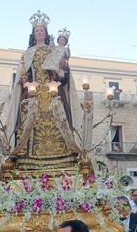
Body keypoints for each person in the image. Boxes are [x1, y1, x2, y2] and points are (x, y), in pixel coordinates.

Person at [6, 10, 81, 170]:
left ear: (46, 33)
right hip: (33, 93)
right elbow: (25, 72)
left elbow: (62, 73)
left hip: (52, 91)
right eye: (36, 31)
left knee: (59, 119)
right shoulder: (27, 53)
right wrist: (22, 80)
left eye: (42, 31)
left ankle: (65, 159)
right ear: (33, 35)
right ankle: (26, 161)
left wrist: (63, 68)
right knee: (29, 122)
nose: (39, 33)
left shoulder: (53, 50)